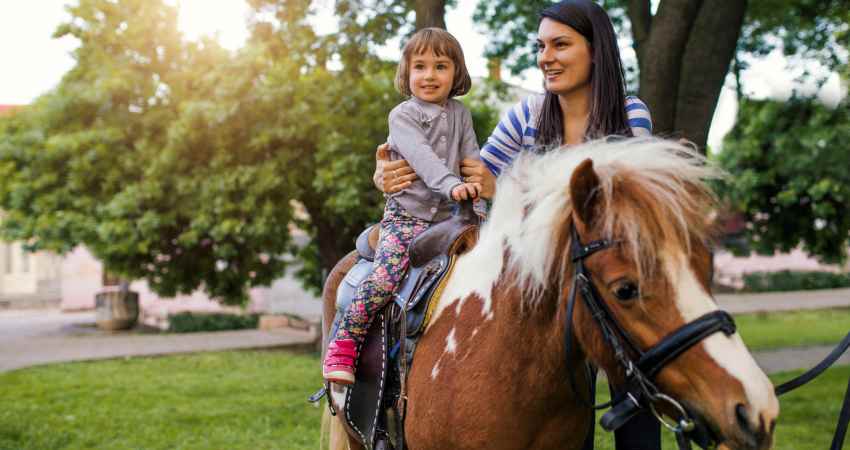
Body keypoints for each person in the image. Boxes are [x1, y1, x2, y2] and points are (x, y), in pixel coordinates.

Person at [372, 1, 661, 449]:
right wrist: (390, 175)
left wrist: (506, 188)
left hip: (607, 281)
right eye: (541, 46)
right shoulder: (527, 115)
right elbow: (473, 184)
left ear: (597, 51)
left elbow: (627, 205)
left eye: (561, 44)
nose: (546, 57)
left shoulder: (629, 114)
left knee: (636, 371)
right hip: (543, 289)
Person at [323, 28, 484, 385]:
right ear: (406, 72)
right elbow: (424, 160)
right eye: (420, 66)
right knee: (385, 277)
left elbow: (472, 159)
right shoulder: (402, 116)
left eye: (441, 66)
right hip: (406, 218)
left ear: (456, 73)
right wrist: (453, 186)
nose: (429, 76)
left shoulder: (461, 114)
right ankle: (345, 342)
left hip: (451, 219)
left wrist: (480, 204)